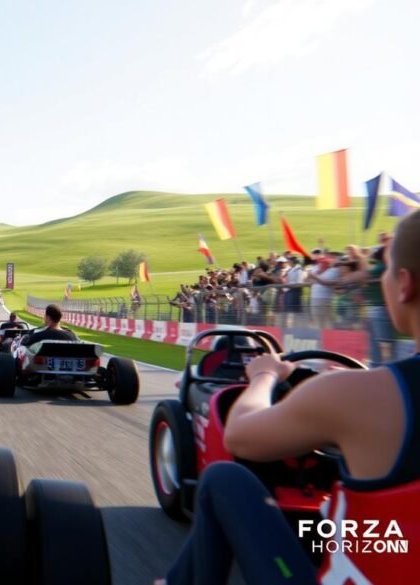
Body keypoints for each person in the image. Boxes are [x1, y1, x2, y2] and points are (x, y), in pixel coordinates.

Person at [157, 208, 420, 585]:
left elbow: (240, 437)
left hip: (377, 560)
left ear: (405, 284)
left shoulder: (359, 395)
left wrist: (264, 376)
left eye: (389, 269)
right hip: (391, 544)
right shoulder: (362, 392)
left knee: (222, 479)